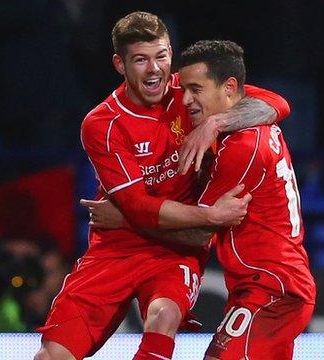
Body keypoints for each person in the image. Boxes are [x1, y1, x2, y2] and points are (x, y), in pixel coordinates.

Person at [34, 11, 290, 360]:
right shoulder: (102, 124)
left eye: (162, 56)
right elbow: (139, 207)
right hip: (114, 251)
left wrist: (215, 123)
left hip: (175, 250)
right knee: (53, 355)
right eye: (141, 59)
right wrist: (211, 216)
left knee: (163, 317)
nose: (155, 69)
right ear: (120, 64)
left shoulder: (189, 92)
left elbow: (277, 103)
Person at [89, 40, 316, 359]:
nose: (186, 99)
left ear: (229, 87)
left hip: (271, 286)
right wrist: (215, 122)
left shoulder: (241, 148)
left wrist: (124, 219)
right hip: (271, 281)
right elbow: (277, 103)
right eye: (184, 90)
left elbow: (198, 231)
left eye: (196, 89)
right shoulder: (253, 125)